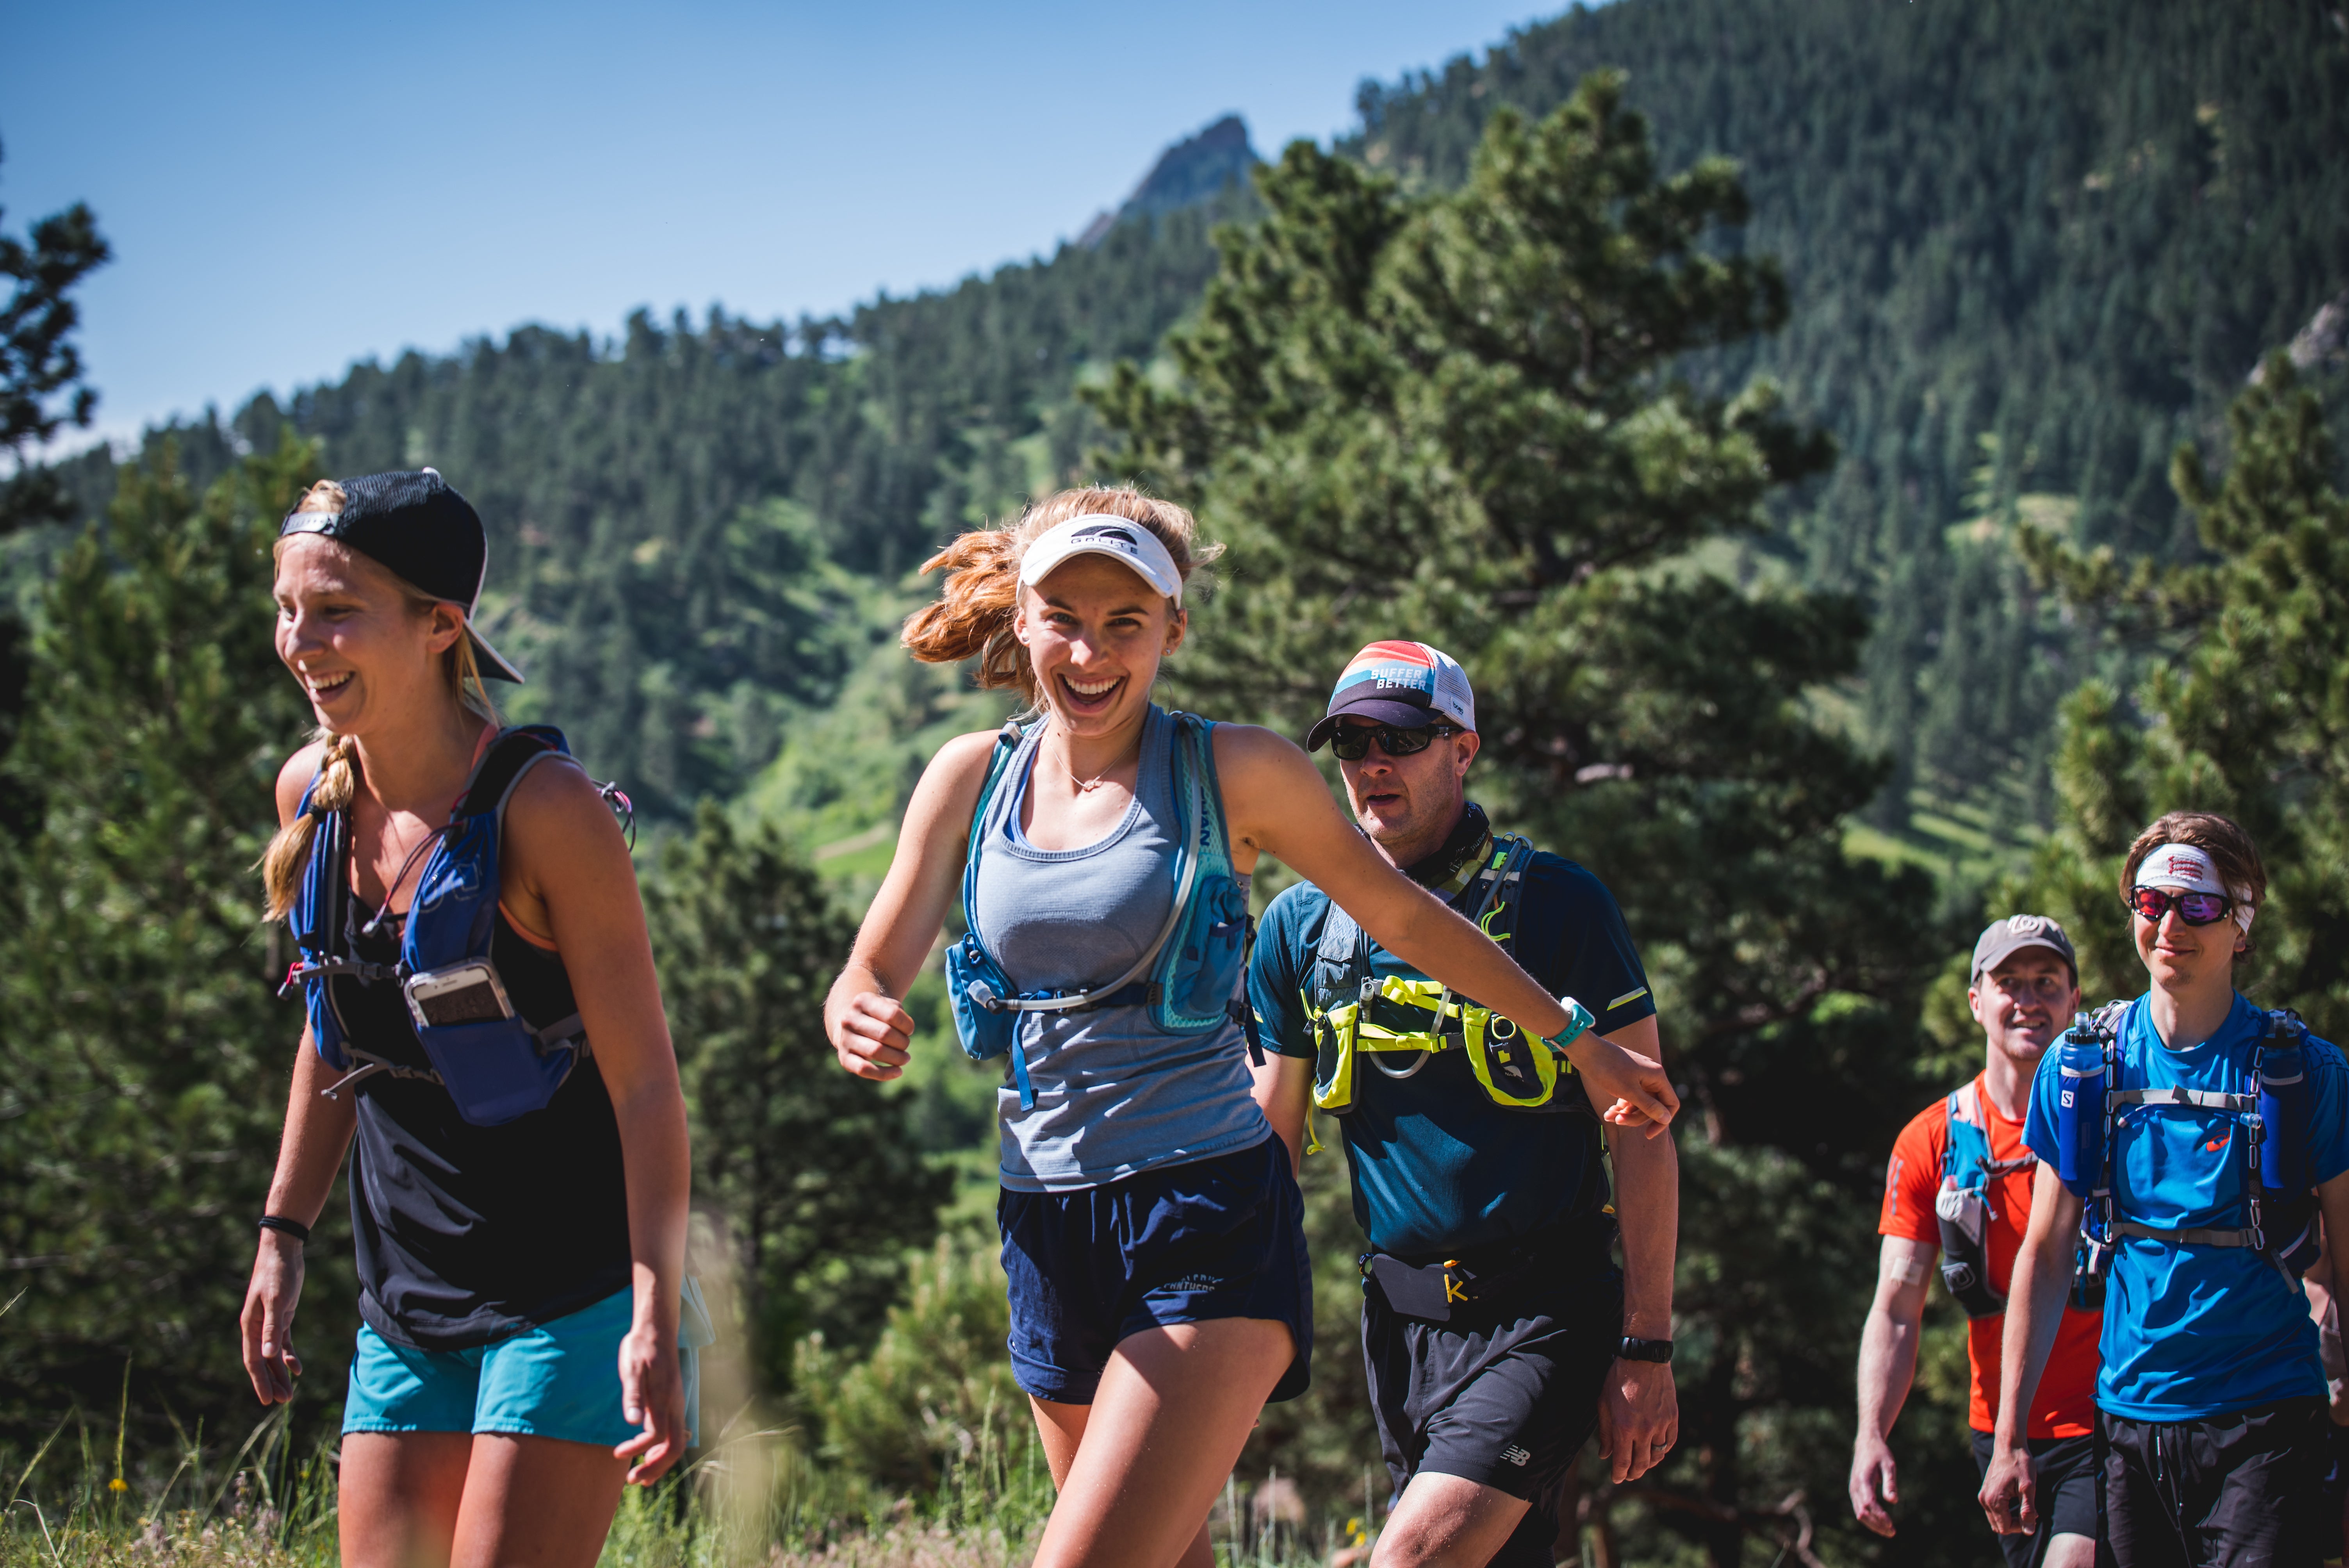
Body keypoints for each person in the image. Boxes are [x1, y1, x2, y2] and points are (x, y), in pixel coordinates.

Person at [825, 499, 1678, 1568]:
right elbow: (874, 956)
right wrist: (856, 1003)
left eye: (1126, 622)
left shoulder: (1238, 772)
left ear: (1174, 630)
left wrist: (1574, 1036)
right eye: (1065, 619)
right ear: (1026, 621)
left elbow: (1407, 915)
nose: (1091, 653)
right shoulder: (971, 776)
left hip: (1204, 1216)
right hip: (1043, 1220)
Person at [239, 471, 698, 1568]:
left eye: (338, 610)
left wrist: (652, 1313)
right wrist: (281, 1235)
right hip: (405, 1298)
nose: (303, 642)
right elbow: (334, 1026)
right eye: (289, 610)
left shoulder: (546, 812)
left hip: (567, 1295)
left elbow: (644, 1087)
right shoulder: (314, 795)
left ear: (442, 624)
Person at [1248, 640, 1680, 1568]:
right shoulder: (1296, 929)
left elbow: (1644, 1132)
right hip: (1396, 1325)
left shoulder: (1558, 905)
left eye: (1399, 739)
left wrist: (1646, 1346)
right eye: (1350, 741)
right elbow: (1268, 1147)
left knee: (1408, 1558)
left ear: (1462, 749)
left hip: (1545, 1310)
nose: (1370, 764)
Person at [1982, 812, 2349, 1567]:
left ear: (2241, 925)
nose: (2171, 923)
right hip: (2126, 1426)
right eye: (2152, 903)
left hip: (2268, 1419)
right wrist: (2008, 1439)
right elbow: (2047, 1255)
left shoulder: (2310, 1074)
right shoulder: (2083, 1068)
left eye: (2200, 905)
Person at [1852, 914, 2095, 1568]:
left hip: (2113, 1419)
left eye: (2048, 982)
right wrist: (1871, 1433)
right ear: (1976, 1002)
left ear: (2077, 1000)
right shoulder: (1933, 1140)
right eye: (2009, 982)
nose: (2029, 1000)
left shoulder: (2113, 1125)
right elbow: (1898, 1310)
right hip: (2002, 1433)